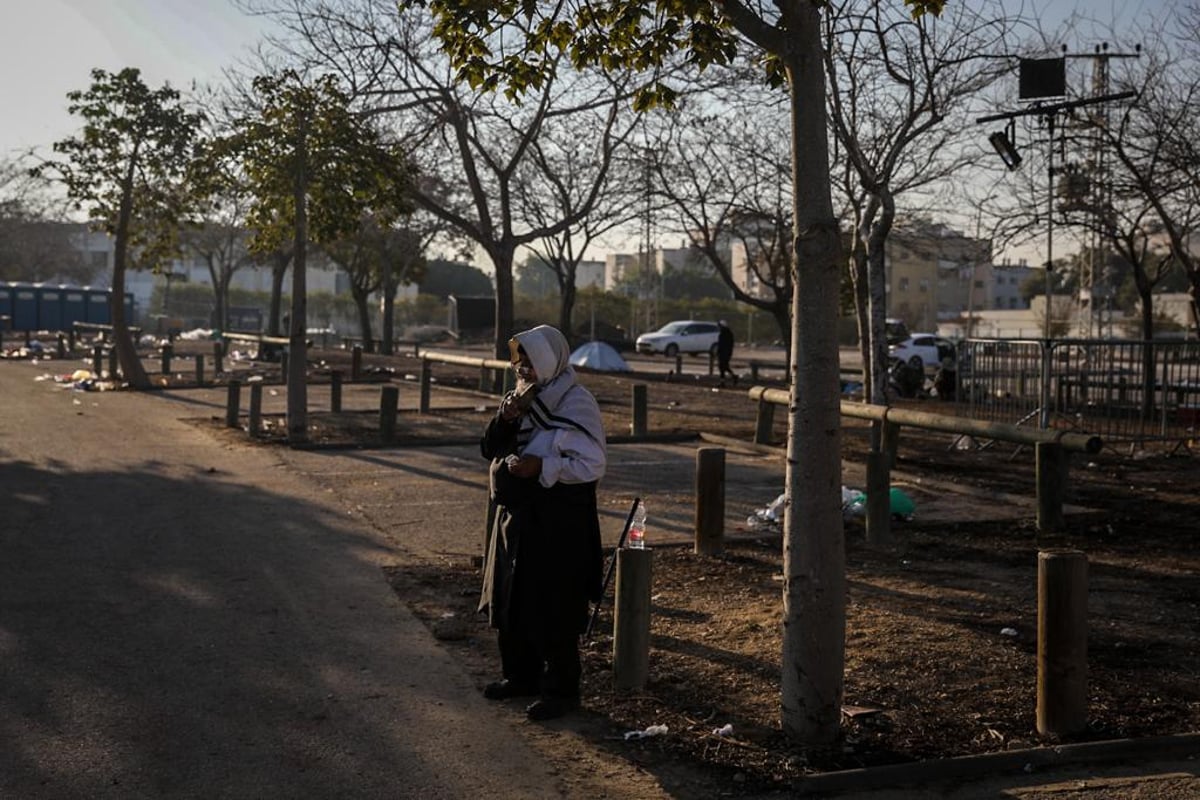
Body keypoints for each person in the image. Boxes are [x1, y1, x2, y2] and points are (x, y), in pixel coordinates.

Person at [478, 324, 607, 721]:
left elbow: (592, 464)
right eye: (520, 362)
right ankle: (520, 676)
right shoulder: (519, 399)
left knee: (554, 606)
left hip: (558, 523)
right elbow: (490, 449)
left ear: (549, 361)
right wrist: (506, 419)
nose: (523, 369)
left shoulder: (575, 403)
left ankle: (561, 691)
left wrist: (542, 466)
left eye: (530, 361)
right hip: (516, 518)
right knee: (513, 601)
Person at [717, 319, 736, 386]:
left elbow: (721, 344)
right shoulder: (728, 333)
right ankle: (732, 377)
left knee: (722, 366)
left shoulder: (724, 333)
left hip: (724, 352)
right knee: (724, 366)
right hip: (727, 352)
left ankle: (723, 381)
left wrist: (719, 351)